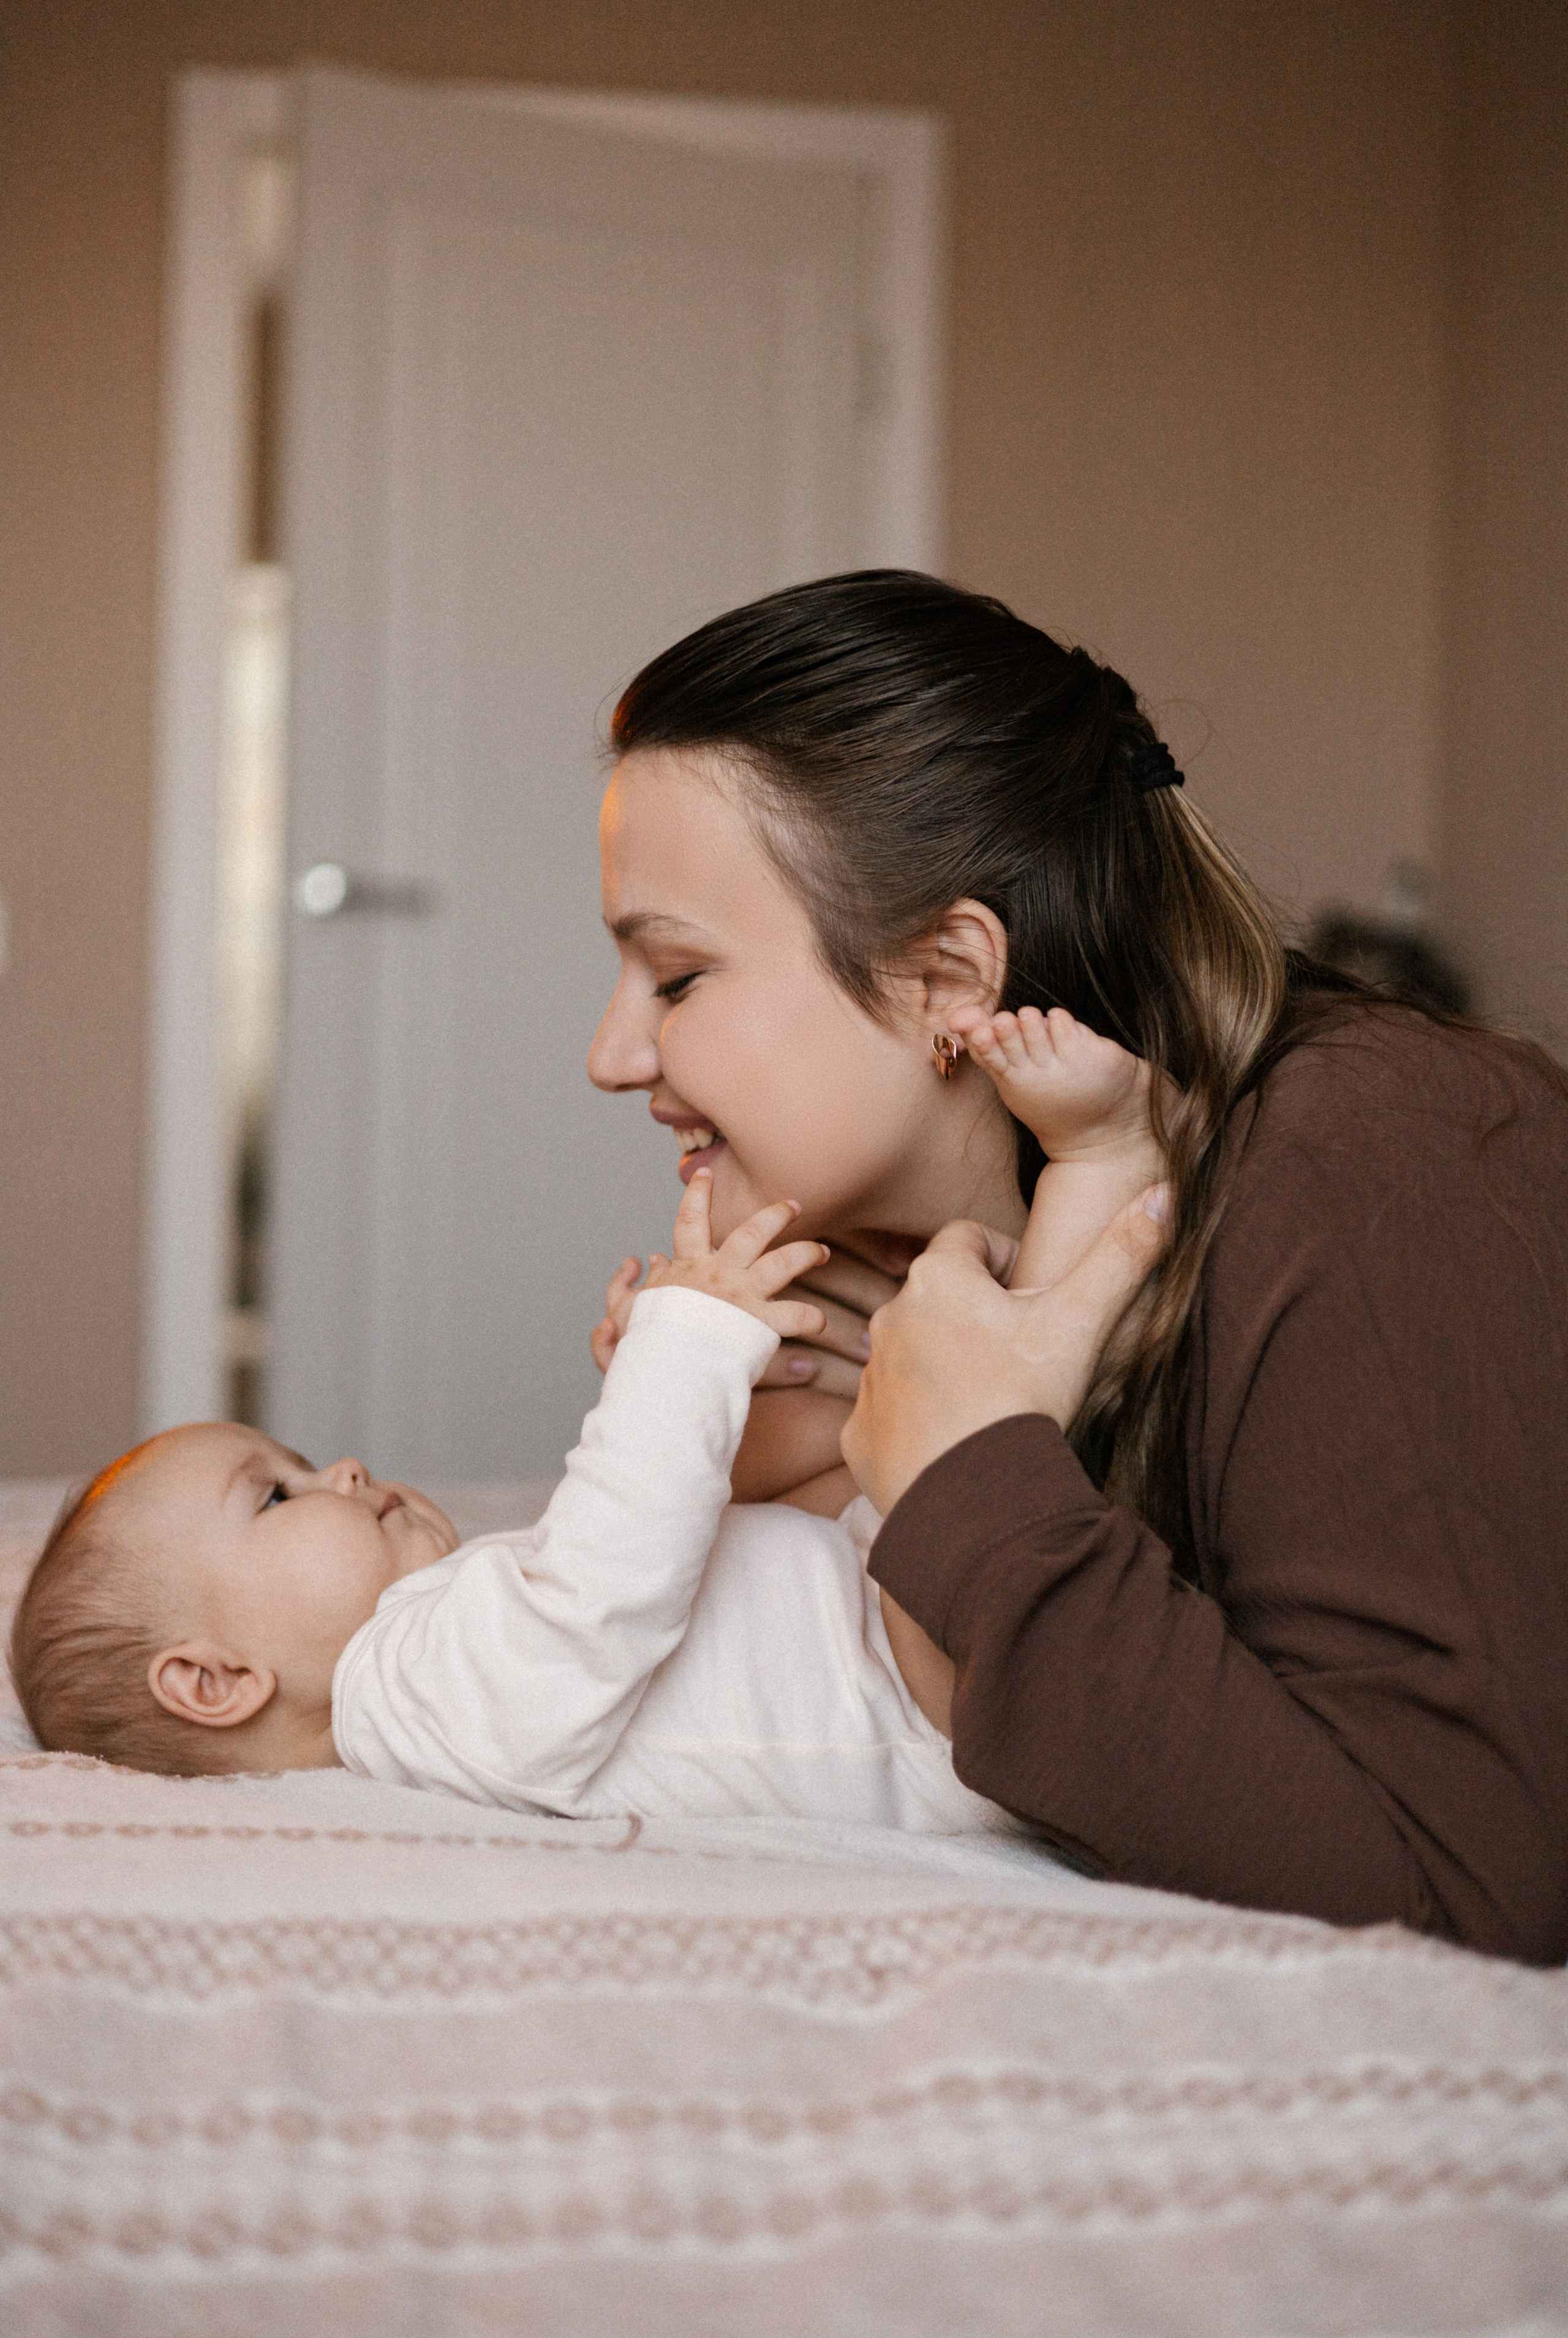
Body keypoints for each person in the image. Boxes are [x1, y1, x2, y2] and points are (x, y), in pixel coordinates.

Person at [589, 568, 1568, 1964]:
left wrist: (967, 1483)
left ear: (949, 979)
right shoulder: (961, 1257)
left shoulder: (1381, 1151)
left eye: (674, 978)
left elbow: (1469, 1903)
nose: (611, 1055)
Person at [9, 1020, 1164, 1822]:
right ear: (215, 1680)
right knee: (982, 1414)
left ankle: (1067, 1203)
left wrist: (665, 1385)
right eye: (275, 1494)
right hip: (931, 1703)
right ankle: (1100, 1164)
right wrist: (678, 1354)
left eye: (301, 1463)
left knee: (904, 1418)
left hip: (878, 1619)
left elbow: (633, 1555)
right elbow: (602, 1590)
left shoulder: (432, 1659)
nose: (344, 1468)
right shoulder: (401, 1700)